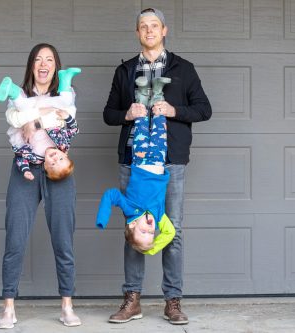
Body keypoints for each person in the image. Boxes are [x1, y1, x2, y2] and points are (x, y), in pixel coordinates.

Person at [103, 8, 211, 325]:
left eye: (154, 26)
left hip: (170, 162)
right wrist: (127, 114)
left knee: (171, 232)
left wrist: (174, 109)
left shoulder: (184, 69)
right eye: (143, 26)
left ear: (164, 30)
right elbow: (108, 114)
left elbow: (204, 109)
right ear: (137, 32)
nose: (148, 31)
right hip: (133, 162)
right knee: (136, 229)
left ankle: (172, 301)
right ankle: (132, 299)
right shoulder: (124, 71)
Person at [0, 43, 81, 329]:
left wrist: (36, 122)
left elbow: (68, 126)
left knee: (63, 239)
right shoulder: (18, 97)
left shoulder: (66, 95)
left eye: (49, 59)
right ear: (31, 66)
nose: (43, 64)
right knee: (15, 238)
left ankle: (67, 305)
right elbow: (17, 128)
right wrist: (37, 120)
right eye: (38, 59)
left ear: (56, 67)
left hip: (58, 168)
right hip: (26, 168)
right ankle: (8, 307)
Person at [95, 76, 175, 255]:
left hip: (139, 160)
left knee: (140, 123)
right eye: (151, 233)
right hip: (158, 159)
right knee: (159, 124)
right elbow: (170, 233)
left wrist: (103, 218)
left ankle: (142, 94)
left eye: (143, 231)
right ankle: (157, 93)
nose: (150, 229)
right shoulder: (158, 215)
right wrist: (151, 249)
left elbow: (111, 195)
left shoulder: (129, 208)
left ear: (132, 225)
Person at [0, 69, 81, 181]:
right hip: (49, 110)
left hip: (30, 115)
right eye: (61, 159)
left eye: (53, 164)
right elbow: (74, 129)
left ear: (45, 166)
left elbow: (21, 158)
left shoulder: (35, 158)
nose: (55, 159)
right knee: (65, 101)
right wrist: (67, 117)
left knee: (23, 106)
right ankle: (65, 79)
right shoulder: (63, 143)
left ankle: (12, 90)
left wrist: (26, 170)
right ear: (65, 155)